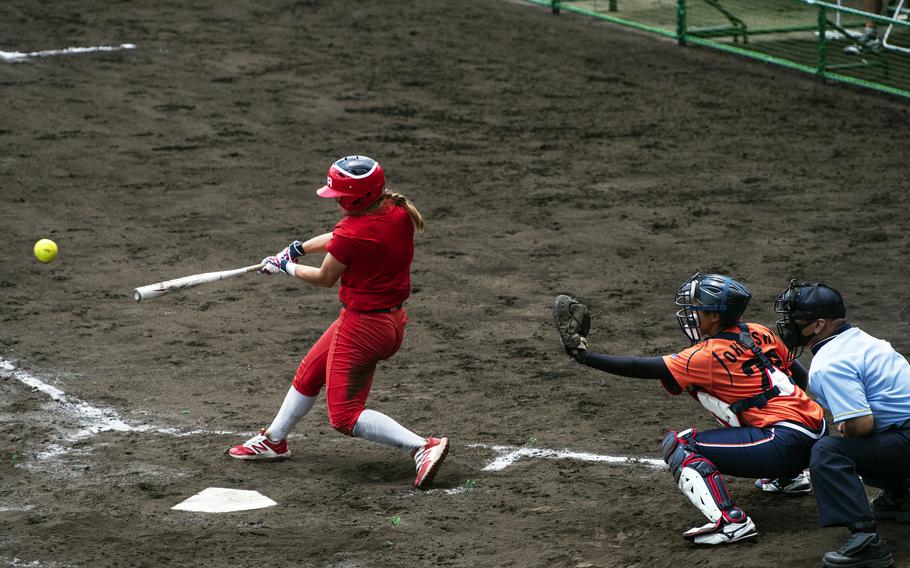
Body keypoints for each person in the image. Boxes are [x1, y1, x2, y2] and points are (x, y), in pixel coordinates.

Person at [554, 273, 827, 545]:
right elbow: (799, 378)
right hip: (818, 436)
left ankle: (731, 522)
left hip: (783, 445)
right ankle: (789, 477)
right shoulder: (759, 331)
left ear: (715, 317)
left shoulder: (704, 356)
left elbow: (639, 366)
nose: (692, 314)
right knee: (754, 400)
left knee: (682, 446)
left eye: (698, 309)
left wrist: (584, 357)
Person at [228, 155, 449, 489]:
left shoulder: (353, 232)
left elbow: (324, 277)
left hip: (364, 329)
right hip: (388, 322)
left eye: (340, 196)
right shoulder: (395, 210)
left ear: (356, 197)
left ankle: (423, 446)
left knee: (345, 417)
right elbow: (340, 238)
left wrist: (284, 267)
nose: (337, 201)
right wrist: (296, 249)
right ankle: (274, 440)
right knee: (310, 372)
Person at [774, 280, 910, 568]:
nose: (788, 327)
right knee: (868, 441)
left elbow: (863, 425)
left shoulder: (830, 362)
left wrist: (849, 427)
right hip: (904, 434)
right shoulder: (865, 340)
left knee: (830, 451)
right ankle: (901, 497)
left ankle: (866, 542)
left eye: (796, 320)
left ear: (818, 325)